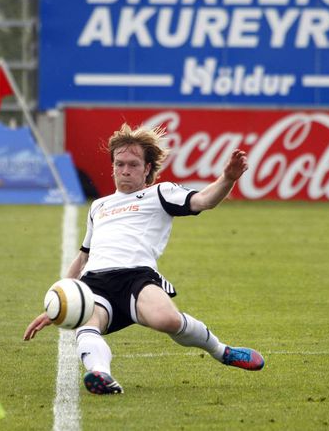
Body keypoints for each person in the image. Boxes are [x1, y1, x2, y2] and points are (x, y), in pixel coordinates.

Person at [24, 123, 265, 394]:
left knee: (167, 320)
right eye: (119, 164)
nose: (125, 170)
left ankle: (222, 352)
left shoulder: (160, 193)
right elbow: (83, 257)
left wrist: (228, 179)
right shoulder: (98, 206)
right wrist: (59, 301)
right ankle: (100, 375)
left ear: (147, 168)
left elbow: (203, 201)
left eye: (133, 164)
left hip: (136, 277)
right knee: (88, 324)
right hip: (94, 284)